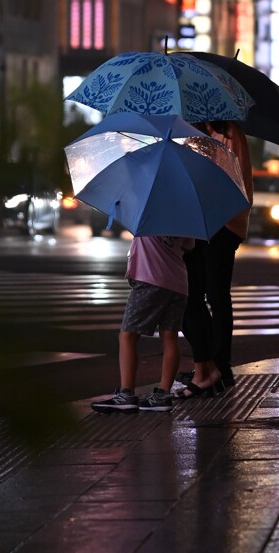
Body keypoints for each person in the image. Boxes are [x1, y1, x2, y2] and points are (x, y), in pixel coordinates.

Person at [179, 120, 252, 396]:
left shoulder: (229, 134)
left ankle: (220, 364)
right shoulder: (201, 132)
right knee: (196, 292)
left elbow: (228, 180)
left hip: (225, 222)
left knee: (217, 294)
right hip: (204, 222)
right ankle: (208, 363)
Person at [91, 234, 195, 413]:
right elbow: (189, 246)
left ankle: (126, 394)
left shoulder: (147, 214)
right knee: (169, 336)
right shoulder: (184, 217)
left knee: (128, 335)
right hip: (178, 283)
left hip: (150, 280)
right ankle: (163, 395)